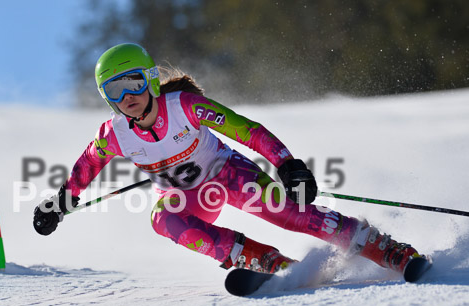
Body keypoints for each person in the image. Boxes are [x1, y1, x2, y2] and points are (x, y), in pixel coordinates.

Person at [33, 43, 429, 280]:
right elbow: (85, 169)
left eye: (133, 82)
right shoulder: (115, 134)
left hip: (229, 174)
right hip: (187, 197)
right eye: (114, 91)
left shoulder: (184, 106)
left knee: (289, 214)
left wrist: (287, 164)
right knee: (162, 219)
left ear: (150, 79)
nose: (127, 96)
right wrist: (60, 204)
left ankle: (383, 248)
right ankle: (266, 262)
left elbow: (247, 130)